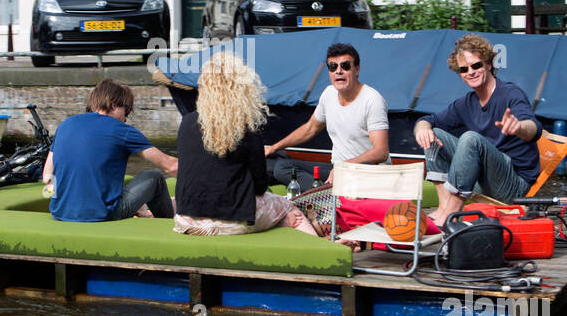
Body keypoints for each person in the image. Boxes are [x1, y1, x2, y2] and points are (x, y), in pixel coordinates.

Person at [174, 53, 318, 237]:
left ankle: (283, 225)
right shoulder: (245, 127)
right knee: (290, 209)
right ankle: (323, 250)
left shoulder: (186, 122)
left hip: (186, 221)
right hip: (233, 222)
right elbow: (259, 186)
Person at [416, 34, 541, 228]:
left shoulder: (510, 93)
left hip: (513, 185)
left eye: (476, 65)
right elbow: (428, 120)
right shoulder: (466, 103)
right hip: (483, 179)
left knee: (470, 139)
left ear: (489, 64)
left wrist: (518, 127)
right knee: (434, 135)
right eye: (464, 69)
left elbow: (533, 128)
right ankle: (444, 208)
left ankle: (451, 213)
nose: (470, 72)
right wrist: (423, 128)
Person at [43, 79, 177, 222]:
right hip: (101, 215)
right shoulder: (121, 130)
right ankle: (167, 224)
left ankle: (141, 210)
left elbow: (47, 176)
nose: (126, 119)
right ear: (113, 105)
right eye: (127, 111)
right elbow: (171, 166)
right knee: (155, 177)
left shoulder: (65, 124)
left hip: (59, 213)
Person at [263, 42, 389, 189]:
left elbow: (381, 152)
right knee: (281, 167)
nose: (339, 71)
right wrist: (273, 148)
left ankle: (322, 197)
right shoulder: (329, 94)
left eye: (345, 66)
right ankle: (324, 194)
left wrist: (345, 167)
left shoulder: (373, 100)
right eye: (333, 66)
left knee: (283, 170)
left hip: (368, 172)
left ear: (357, 69)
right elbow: (310, 128)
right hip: (336, 169)